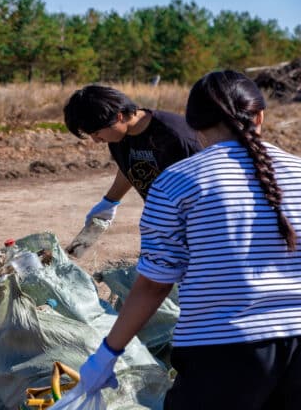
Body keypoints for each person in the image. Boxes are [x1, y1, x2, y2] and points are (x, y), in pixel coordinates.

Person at [77, 70, 301, 408]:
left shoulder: (174, 183)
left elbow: (154, 285)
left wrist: (107, 354)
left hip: (222, 354)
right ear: (260, 116)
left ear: (194, 127)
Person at [63, 85, 201, 226]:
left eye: (97, 133)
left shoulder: (176, 136)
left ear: (119, 117)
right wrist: (109, 202)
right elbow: (130, 167)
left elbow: (211, 180)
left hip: (198, 221)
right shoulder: (118, 137)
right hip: (163, 223)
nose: (96, 140)